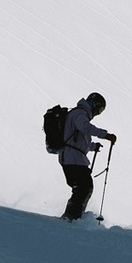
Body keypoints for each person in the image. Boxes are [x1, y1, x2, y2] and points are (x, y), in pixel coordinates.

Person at [57, 92, 115, 221]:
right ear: (94, 105)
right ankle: (71, 218)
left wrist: (93, 147)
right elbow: (86, 128)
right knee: (84, 187)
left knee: (84, 187)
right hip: (72, 159)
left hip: (73, 158)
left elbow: (78, 140)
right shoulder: (79, 114)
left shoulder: (79, 114)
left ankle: (74, 216)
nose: (98, 113)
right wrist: (105, 135)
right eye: (99, 109)